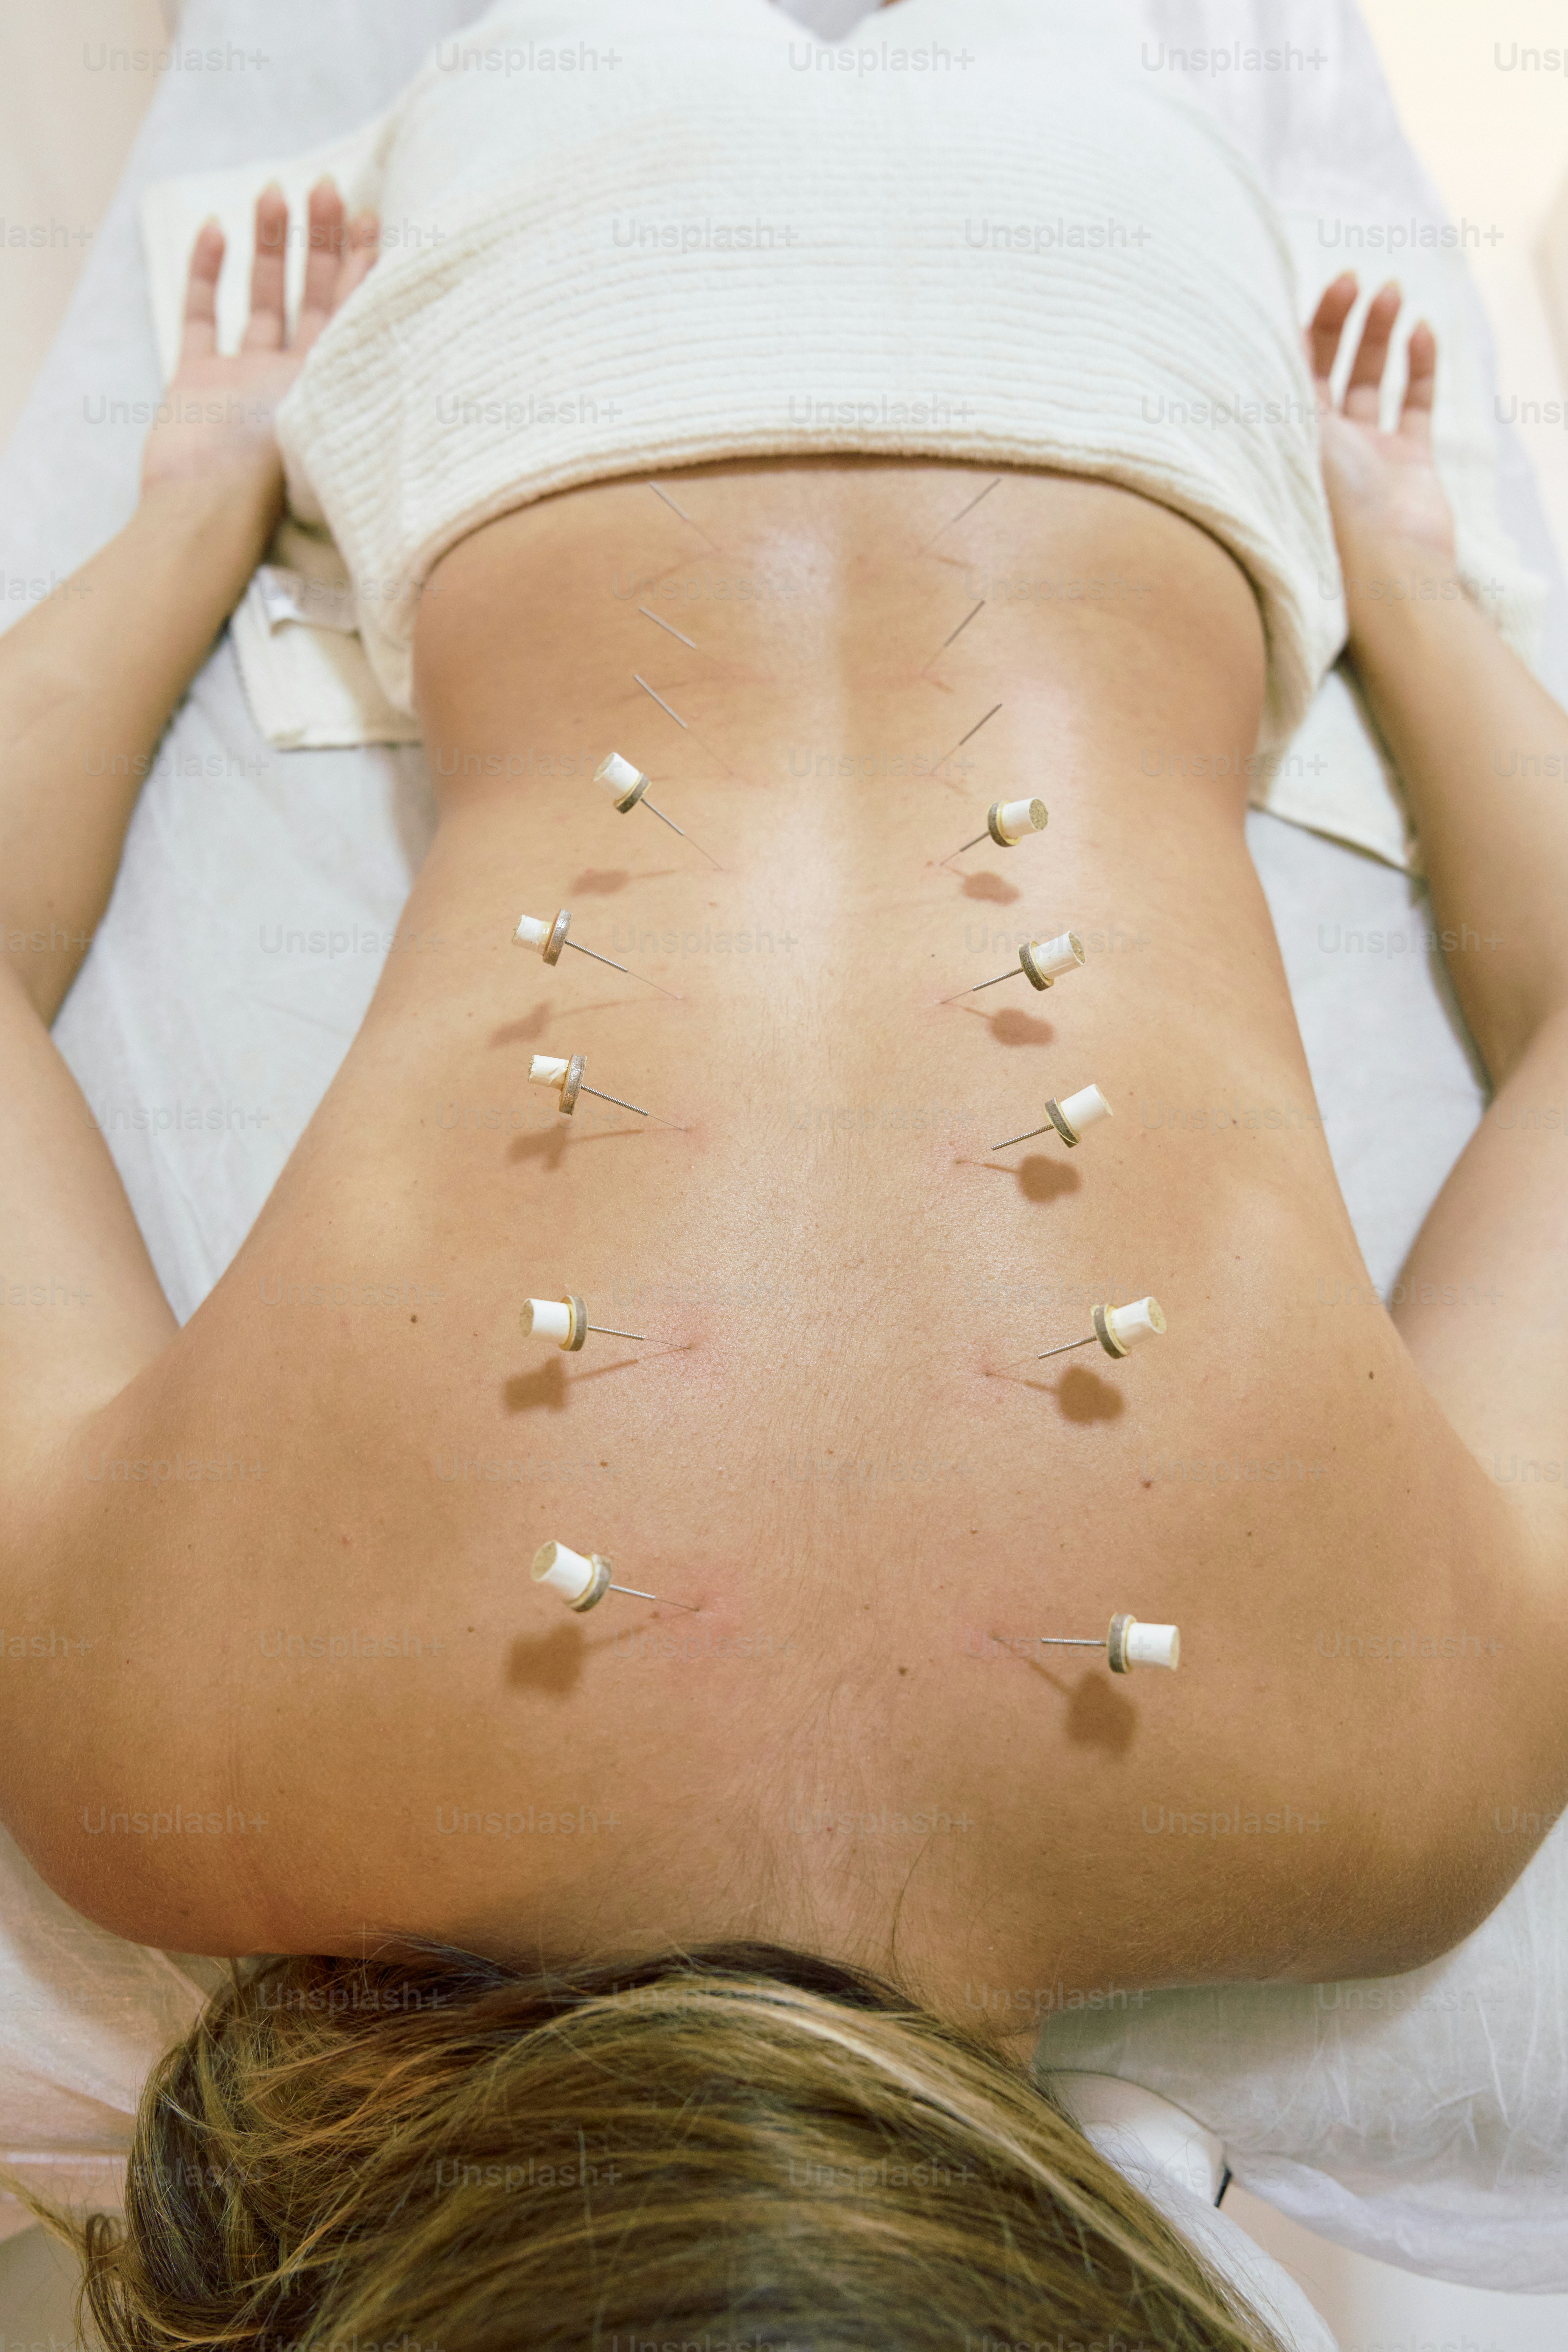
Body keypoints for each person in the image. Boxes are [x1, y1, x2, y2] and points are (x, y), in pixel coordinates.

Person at [0, 58, 1564, 2352]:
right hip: (554, 315)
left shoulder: (1410, 1786)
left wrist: (1391, 567)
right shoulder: (157, 1758)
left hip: (1122, 319)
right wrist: (203, 490)